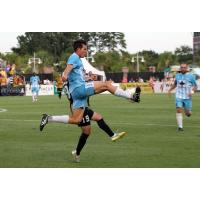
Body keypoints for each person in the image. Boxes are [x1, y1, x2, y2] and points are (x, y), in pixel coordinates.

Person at [40, 39, 141, 130]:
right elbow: (67, 69)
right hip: (79, 89)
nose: (86, 51)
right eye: (84, 49)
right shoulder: (74, 56)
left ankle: (49, 118)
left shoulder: (78, 60)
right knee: (106, 85)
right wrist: (64, 75)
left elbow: (77, 75)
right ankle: (131, 96)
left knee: (76, 119)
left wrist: (88, 78)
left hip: (76, 93)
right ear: (78, 49)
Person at [168, 63, 197, 132]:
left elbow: (195, 86)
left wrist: (191, 92)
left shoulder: (191, 76)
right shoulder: (177, 75)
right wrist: (170, 90)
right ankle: (180, 127)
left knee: (188, 114)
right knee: (178, 109)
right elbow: (175, 84)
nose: (183, 69)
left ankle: (188, 111)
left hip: (187, 97)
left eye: (184, 67)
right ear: (180, 68)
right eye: (181, 67)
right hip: (179, 96)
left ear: (187, 68)